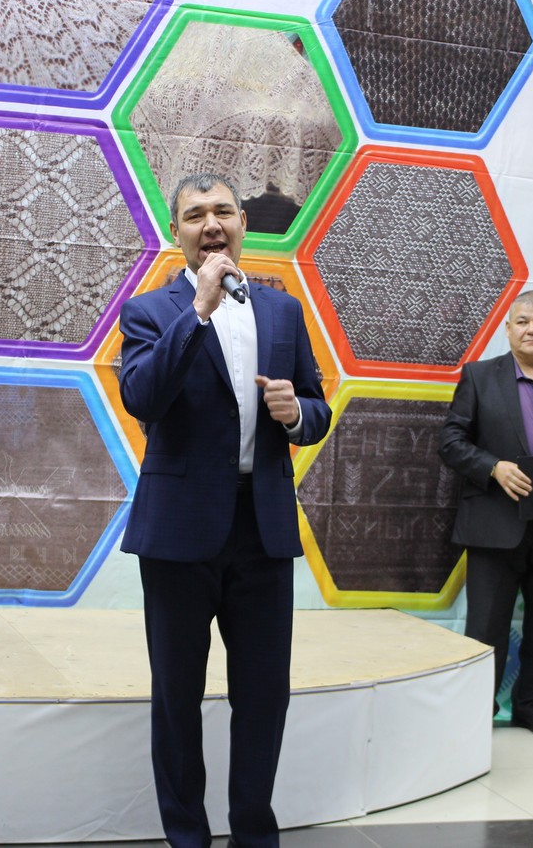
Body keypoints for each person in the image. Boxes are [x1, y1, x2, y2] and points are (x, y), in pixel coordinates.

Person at [118, 172, 332, 848]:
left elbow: (317, 406)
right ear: (176, 232)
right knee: (177, 698)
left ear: (243, 222)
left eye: (222, 211)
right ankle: (187, 836)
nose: (210, 224)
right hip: (178, 533)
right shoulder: (150, 312)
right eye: (194, 215)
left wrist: (297, 415)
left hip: (262, 530)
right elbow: (143, 397)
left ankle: (253, 833)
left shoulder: (283, 311)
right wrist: (200, 310)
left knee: (265, 695)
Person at [438, 291, 533, 739]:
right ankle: (477, 710)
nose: (532, 329)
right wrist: (493, 468)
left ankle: (532, 706)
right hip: (493, 525)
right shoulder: (479, 377)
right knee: (486, 627)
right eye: (522, 321)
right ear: (507, 329)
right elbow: (451, 442)